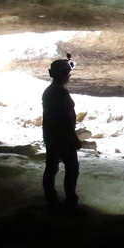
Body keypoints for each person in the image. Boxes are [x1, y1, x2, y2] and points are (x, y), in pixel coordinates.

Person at [42, 55, 81, 207]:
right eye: (68, 73)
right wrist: (75, 138)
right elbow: (65, 119)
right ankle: (70, 199)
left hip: (51, 136)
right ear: (64, 75)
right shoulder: (61, 93)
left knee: (51, 167)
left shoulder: (49, 91)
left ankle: (50, 198)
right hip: (63, 137)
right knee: (72, 168)